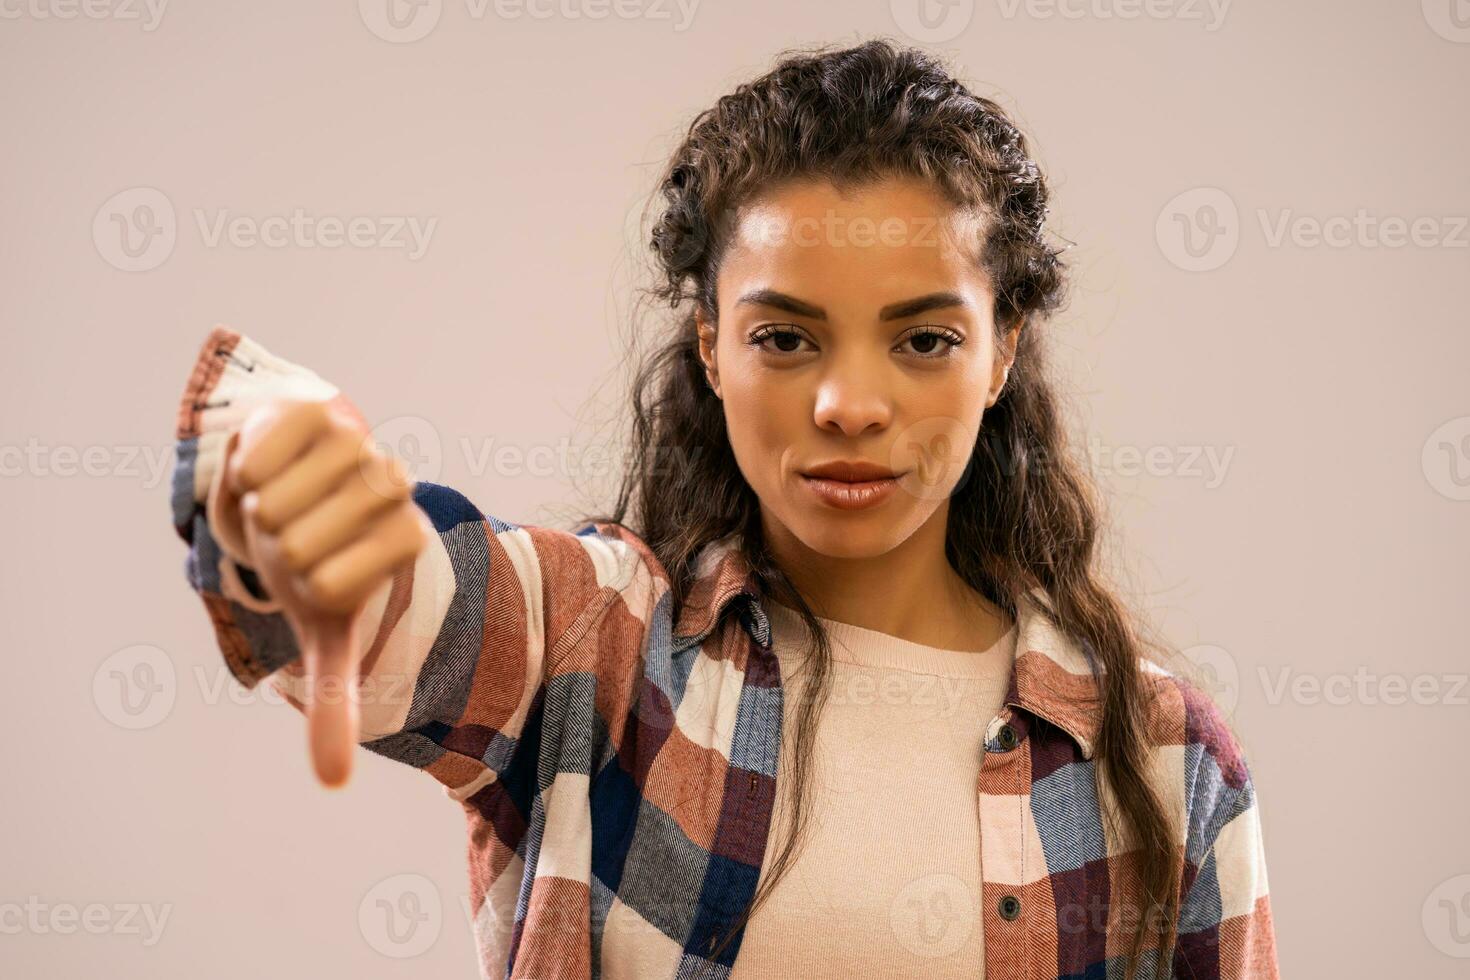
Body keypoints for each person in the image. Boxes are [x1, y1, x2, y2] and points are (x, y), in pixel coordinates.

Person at [168, 38, 1279, 980]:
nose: (849, 403)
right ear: (711, 345)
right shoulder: (593, 648)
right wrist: (287, 480)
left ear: (1002, 354)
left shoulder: (1164, 760)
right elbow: (408, 578)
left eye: (925, 339)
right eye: (785, 337)